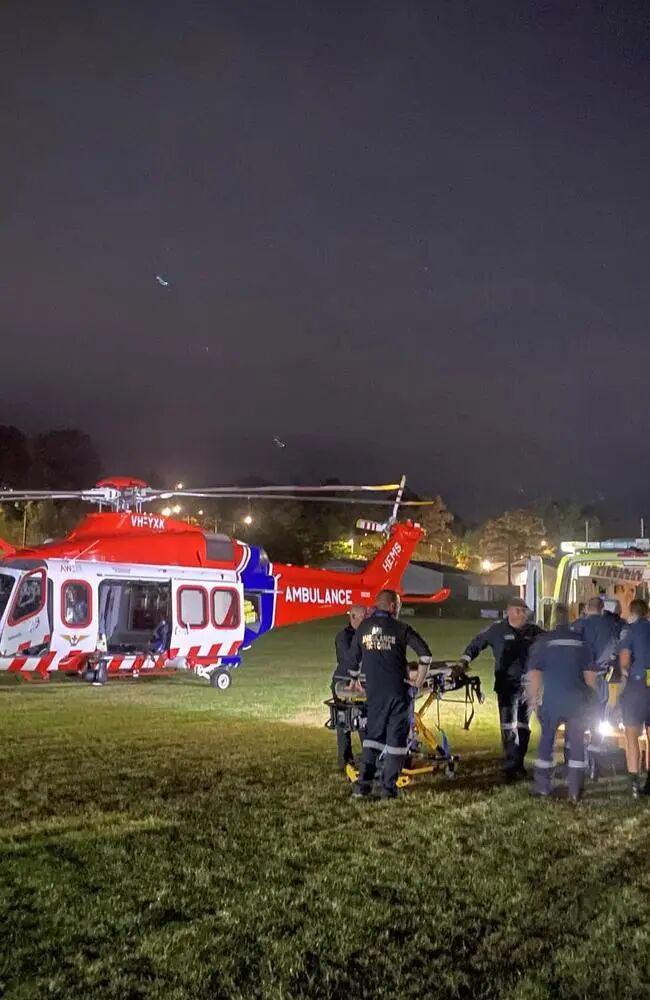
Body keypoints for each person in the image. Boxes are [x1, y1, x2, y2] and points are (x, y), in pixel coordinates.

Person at [345, 589, 432, 799]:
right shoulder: (401, 628)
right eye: (399, 606)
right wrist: (418, 683)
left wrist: (354, 679)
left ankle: (363, 785)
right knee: (396, 743)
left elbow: (353, 660)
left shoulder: (363, 627)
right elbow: (425, 655)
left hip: (375, 693)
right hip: (398, 692)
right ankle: (388, 788)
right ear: (393, 606)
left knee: (372, 739)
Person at [459, 597, 543, 782]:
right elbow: (476, 644)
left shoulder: (534, 631)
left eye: (525, 611)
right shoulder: (496, 629)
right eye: (519, 611)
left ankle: (518, 761)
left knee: (523, 726)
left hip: (529, 686)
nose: (523, 614)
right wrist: (464, 660)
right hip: (507, 685)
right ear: (510, 611)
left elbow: (551, 643)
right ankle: (511, 765)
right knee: (508, 726)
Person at [527, 605, 598, 803]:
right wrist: (592, 702)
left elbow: (534, 674)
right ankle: (575, 790)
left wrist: (533, 700)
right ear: (571, 618)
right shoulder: (581, 642)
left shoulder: (544, 642)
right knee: (576, 745)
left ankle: (542, 787)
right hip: (577, 702)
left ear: (552, 620)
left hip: (552, 701)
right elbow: (591, 677)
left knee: (546, 743)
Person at [618, 598, 650, 799]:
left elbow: (624, 659)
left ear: (632, 612)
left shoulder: (629, 631)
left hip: (636, 686)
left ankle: (634, 784)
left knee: (631, 736)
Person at [571, 596, 622, 721]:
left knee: (580, 707)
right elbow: (616, 647)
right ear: (602, 609)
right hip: (602, 673)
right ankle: (597, 737)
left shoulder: (578, 625)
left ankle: (579, 735)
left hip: (581, 674)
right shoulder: (611, 625)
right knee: (600, 705)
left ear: (586, 608)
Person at [331, 605, 367, 768]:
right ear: (353, 618)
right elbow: (349, 660)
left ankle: (368, 756)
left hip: (360, 682)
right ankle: (344, 759)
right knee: (343, 722)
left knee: (363, 719)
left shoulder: (366, 635)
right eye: (362, 617)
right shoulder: (343, 637)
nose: (365, 620)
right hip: (343, 682)